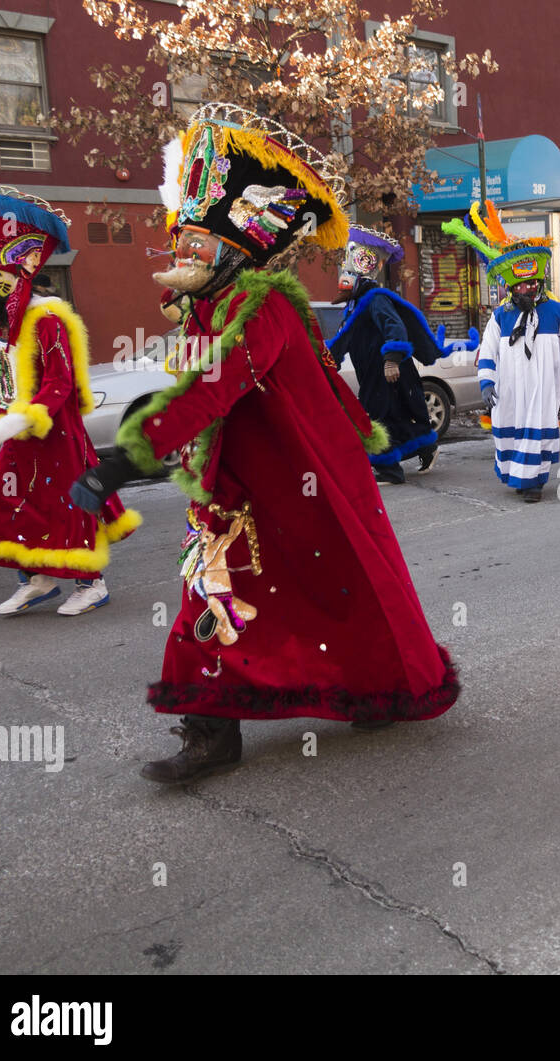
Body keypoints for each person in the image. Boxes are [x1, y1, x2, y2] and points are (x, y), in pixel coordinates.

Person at [70, 103, 460, 783]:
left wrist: (126, 458)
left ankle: (378, 687)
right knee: (209, 600)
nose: (182, 252)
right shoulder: (205, 307)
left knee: (350, 591)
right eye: (180, 238)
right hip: (232, 494)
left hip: (307, 486)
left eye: (198, 241)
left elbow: (213, 389)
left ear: (238, 245)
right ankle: (211, 729)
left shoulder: (263, 305)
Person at [0, 176, 140, 614]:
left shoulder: (47, 320)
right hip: (14, 438)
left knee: (66, 504)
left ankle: (91, 581)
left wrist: (24, 417)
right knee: (12, 504)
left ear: (16, 273)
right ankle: (37, 578)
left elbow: (60, 382)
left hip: (54, 434)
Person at [443, 200, 560, 502]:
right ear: (512, 287)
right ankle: (520, 478)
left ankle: (534, 483)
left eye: (532, 284)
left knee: (538, 426)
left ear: (538, 282)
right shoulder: (500, 316)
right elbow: (488, 354)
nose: (527, 290)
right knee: (512, 428)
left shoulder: (557, 311)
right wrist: (486, 384)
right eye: (521, 286)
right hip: (509, 389)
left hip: (543, 386)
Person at [326, 224, 448, 484]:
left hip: (387, 371)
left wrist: (391, 360)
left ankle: (390, 470)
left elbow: (395, 328)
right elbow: (345, 339)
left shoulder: (375, 298)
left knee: (375, 418)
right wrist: (327, 362)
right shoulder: (355, 304)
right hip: (371, 373)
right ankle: (426, 448)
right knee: (392, 416)